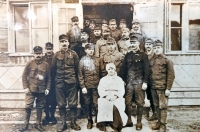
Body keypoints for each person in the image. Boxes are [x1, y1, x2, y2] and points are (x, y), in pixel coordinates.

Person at [51, 34, 81, 131]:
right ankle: (63, 123)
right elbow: (53, 70)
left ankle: (73, 122)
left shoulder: (74, 54)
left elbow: (77, 69)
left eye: (66, 41)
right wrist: (55, 82)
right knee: (61, 103)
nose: (64, 43)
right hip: (59, 82)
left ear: (68, 43)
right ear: (60, 43)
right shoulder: (56, 55)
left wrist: (77, 82)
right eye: (62, 42)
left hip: (71, 82)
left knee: (73, 103)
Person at [120, 35, 149, 130]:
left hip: (139, 82)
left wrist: (145, 82)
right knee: (127, 102)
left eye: (134, 43)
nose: (133, 45)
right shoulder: (128, 55)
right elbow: (123, 69)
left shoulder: (143, 55)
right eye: (131, 43)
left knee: (140, 102)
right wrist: (122, 81)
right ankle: (129, 121)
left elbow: (147, 70)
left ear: (138, 44)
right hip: (129, 83)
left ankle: (139, 122)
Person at [20, 46, 51, 132]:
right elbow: (24, 76)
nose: (38, 55)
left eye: (39, 53)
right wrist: (25, 87)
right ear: (33, 54)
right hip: (30, 89)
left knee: (40, 107)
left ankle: (38, 124)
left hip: (41, 90)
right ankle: (25, 125)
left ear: (42, 53)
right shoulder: (29, 64)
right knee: (28, 107)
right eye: (36, 54)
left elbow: (49, 78)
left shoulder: (46, 65)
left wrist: (47, 88)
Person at [150, 40, 175, 132]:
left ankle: (163, 125)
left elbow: (171, 75)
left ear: (162, 48)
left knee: (163, 107)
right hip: (153, 87)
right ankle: (159, 122)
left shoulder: (167, 61)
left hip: (162, 88)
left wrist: (168, 88)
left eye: (158, 48)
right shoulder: (151, 60)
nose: (156, 50)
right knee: (156, 106)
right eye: (155, 48)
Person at [97, 63, 128, 132]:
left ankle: (115, 126)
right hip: (106, 96)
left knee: (115, 107)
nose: (110, 71)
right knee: (104, 104)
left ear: (115, 70)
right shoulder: (103, 79)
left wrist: (116, 96)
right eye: (109, 69)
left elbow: (122, 90)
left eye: (112, 69)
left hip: (116, 96)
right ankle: (105, 124)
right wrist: (105, 96)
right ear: (107, 70)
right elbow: (100, 89)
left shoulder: (119, 79)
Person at [78, 43, 100, 129]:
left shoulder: (98, 60)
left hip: (96, 86)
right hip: (87, 86)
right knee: (87, 103)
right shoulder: (82, 61)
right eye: (89, 49)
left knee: (96, 103)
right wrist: (83, 87)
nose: (91, 51)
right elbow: (80, 75)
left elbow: (101, 73)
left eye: (92, 49)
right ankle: (89, 120)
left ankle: (98, 119)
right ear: (85, 50)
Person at [42, 42, 57, 125]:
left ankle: (53, 116)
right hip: (45, 83)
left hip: (54, 82)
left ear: (52, 49)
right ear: (45, 49)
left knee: (53, 101)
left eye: (50, 49)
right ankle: (47, 116)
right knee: (45, 101)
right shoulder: (42, 58)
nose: (49, 51)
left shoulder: (56, 57)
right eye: (47, 49)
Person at [144, 38, 157, 121]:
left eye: (150, 44)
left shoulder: (155, 56)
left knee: (154, 97)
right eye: (147, 44)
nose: (148, 46)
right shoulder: (144, 55)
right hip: (146, 80)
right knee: (148, 96)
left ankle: (155, 113)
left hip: (154, 80)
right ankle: (150, 111)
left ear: (152, 46)